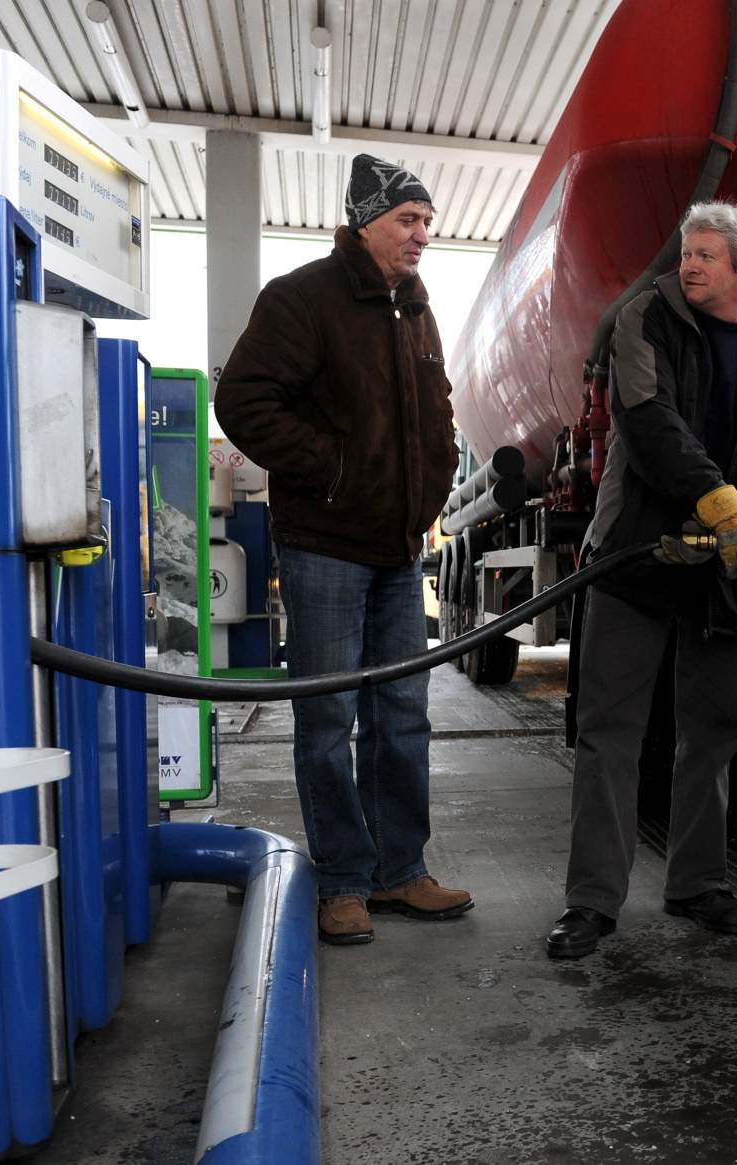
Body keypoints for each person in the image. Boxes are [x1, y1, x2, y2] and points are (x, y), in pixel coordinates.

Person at [546, 201, 737, 958]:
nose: (687, 264)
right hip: (637, 555)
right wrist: (718, 503)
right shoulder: (644, 321)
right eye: (686, 251)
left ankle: (698, 883)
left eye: (705, 254)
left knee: (715, 731)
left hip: (728, 566)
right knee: (610, 731)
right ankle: (592, 902)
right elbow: (648, 422)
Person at [216, 154, 471, 946]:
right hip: (326, 541)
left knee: (402, 715)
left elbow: (437, 413)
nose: (422, 234)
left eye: (427, 221)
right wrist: (332, 466)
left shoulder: (416, 309)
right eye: (407, 219)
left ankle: (401, 870)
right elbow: (244, 400)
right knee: (327, 717)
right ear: (365, 222)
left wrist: (433, 480)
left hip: (397, 549)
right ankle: (342, 880)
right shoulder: (303, 299)